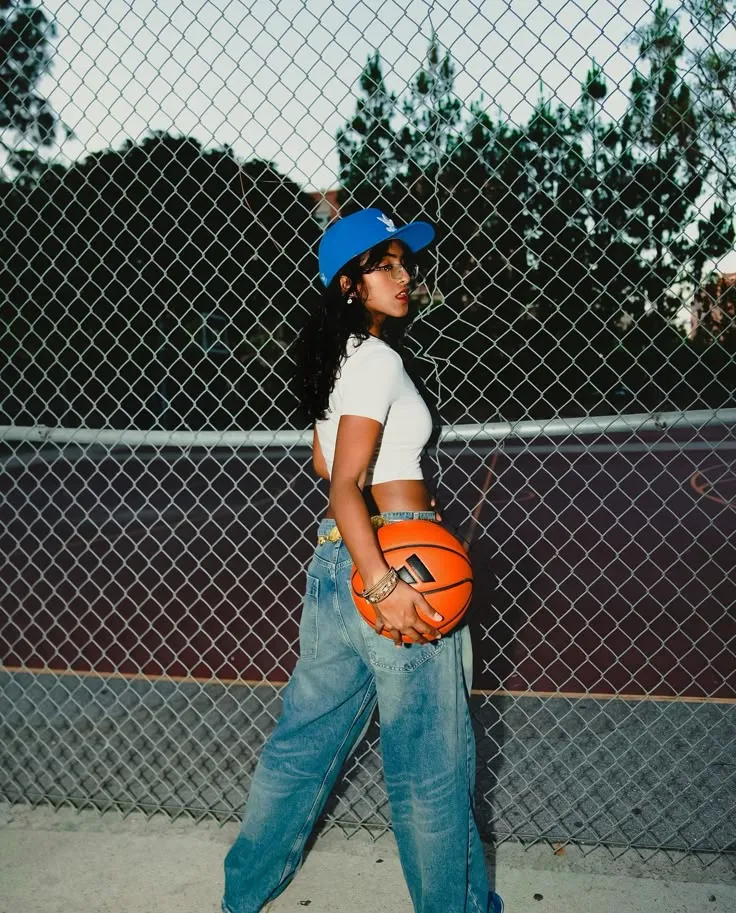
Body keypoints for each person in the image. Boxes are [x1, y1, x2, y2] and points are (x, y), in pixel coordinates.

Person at [222, 208, 503, 913]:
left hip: (332, 562)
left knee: (300, 746)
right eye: (387, 264)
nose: (405, 275)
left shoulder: (335, 359)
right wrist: (386, 584)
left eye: (405, 262)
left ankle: (239, 898)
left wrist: (362, 569)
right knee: (430, 769)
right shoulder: (377, 358)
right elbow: (346, 482)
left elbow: (325, 461)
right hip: (398, 561)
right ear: (349, 283)